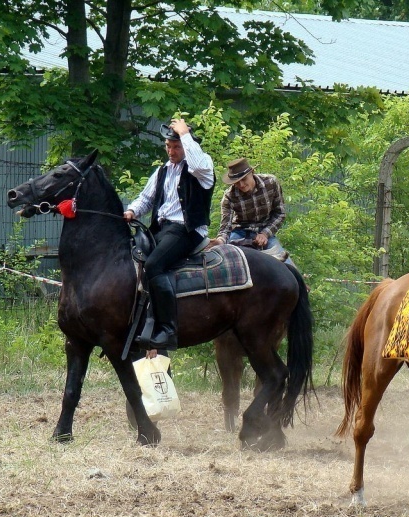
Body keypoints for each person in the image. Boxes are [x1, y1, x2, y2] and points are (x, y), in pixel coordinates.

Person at [123, 118, 215, 350]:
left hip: (187, 230)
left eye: (176, 147)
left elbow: (197, 164)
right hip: (162, 229)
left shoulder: (202, 167)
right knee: (132, 259)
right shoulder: (162, 171)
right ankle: (138, 321)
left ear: (186, 145)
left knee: (154, 265)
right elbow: (146, 198)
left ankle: (168, 330)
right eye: (168, 146)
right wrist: (132, 210)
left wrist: (185, 134)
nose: (171, 151)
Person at [208, 158, 292, 263]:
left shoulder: (271, 182)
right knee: (223, 261)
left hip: (265, 230)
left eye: (244, 179)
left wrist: (265, 234)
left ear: (252, 172)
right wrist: (220, 241)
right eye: (237, 182)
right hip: (239, 232)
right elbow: (226, 227)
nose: (241, 185)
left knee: (288, 266)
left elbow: (280, 213)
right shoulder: (229, 196)